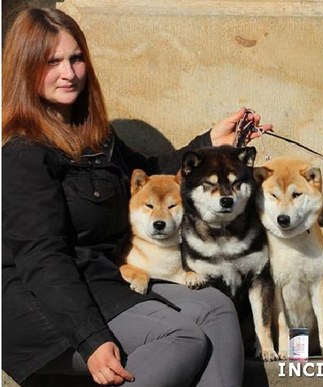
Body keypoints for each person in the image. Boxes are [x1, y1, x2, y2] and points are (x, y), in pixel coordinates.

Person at [2, 7, 272, 387]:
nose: (69, 73)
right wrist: (92, 339)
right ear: (25, 69)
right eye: (53, 62)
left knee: (215, 308)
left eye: (76, 58)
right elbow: (41, 258)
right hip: (43, 305)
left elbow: (147, 172)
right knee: (181, 338)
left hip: (102, 280)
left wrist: (212, 145)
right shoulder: (22, 155)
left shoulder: (96, 137)